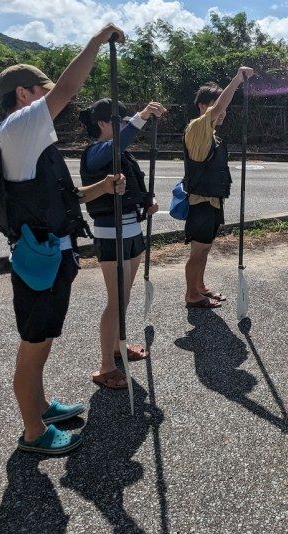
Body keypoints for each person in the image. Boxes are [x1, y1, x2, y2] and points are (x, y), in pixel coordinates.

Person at [0, 23, 127, 455]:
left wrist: (103, 187)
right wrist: (97, 41)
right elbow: (67, 88)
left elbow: (63, 197)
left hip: (52, 253)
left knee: (42, 341)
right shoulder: (17, 127)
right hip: (40, 259)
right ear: (23, 94)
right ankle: (33, 432)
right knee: (34, 345)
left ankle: (42, 408)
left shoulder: (29, 138)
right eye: (42, 92)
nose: (53, 101)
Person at [79, 99, 167, 389]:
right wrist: (141, 117)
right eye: (119, 121)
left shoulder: (122, 154)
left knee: (125, 297)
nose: (125, 125)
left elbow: (138, 187)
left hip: (132, 231)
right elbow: (115, 146)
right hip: (111, 234)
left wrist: (150, 201)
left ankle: (119, 345)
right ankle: (105, 366)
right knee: (116, 300)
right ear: (103, 124)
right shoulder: (95, 152)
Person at [183, 67, 254, 309]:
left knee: (204, 250)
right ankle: (191, 295)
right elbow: (218, 108)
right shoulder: (197, 127)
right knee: (198, 252)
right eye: (216, 106)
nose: (222, 112)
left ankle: (200, 287)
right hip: (201, 202)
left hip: (212, 201)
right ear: (202, 106)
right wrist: (237, 80)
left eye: (222, 108)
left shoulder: (212, 136)